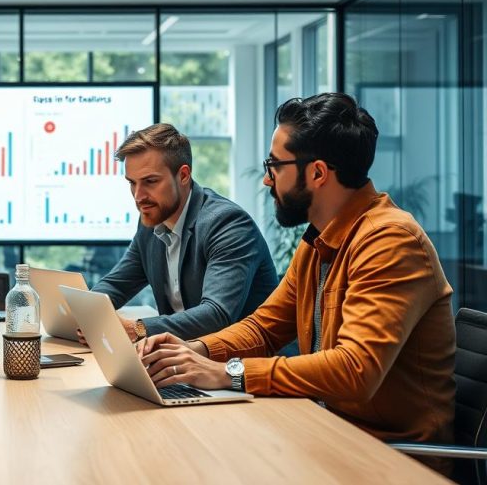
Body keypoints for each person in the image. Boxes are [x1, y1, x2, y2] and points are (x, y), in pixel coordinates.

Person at [139, 94, 455, 474]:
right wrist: (195, 350)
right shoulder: (320, 240)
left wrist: (229, 373)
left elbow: (356, 370)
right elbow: (264, 327)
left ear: (318, 173)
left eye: (274, 165)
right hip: (327, 429)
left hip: (388, 457)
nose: (267, 178)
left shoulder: (390, 241)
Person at [90, 123, 278, 341]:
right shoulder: (151, 222)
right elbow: (116, 284)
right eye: (132, 183)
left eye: (150, 181)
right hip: (187, 360)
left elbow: (216, 314)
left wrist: (137, 329)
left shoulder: (228, 224)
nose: (138, 195)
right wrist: (86, 314)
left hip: (245, 365)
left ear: (183, 175)